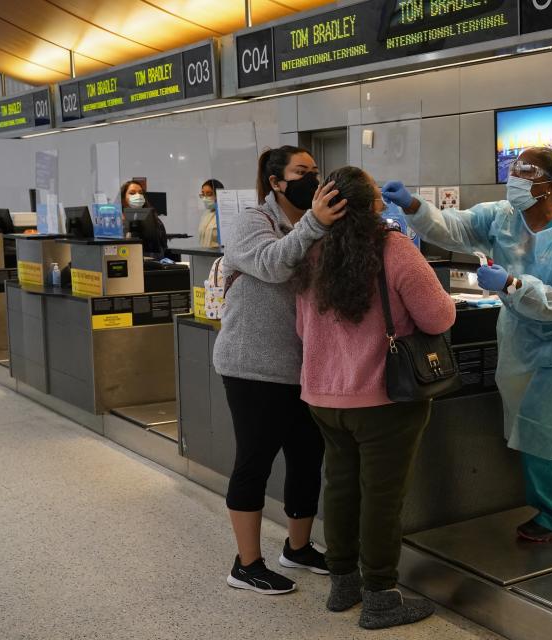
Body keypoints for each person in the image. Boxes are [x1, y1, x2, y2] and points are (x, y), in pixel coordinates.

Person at [382, 147, 552, 543]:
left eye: (525, 173)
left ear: (550, 187)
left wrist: (514, 285)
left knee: (542, 423)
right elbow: (453, 228)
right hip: (529, 335)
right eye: (513, 170)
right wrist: (413, 205)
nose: (514, 179)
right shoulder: (502, 216)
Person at [293, 166, 455, 629]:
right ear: (375, 204)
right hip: (385, 400)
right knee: (382, 497)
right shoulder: (395, 250)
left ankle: (342, 583)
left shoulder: (310, 253)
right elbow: (439, 318)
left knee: (340, 487)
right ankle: (381, 596)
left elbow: (303, 328)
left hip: (324, 398)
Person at [212, 146, 347, 595]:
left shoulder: (316, 227)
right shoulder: (254, 221)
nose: (313, 178)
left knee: (307, 460)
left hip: (303, 368)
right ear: (276, 181)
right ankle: (246, 564)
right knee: (254, 461)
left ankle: (298, 547)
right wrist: (316, 224)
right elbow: (271, 264)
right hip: (252, 366)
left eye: (315, 170)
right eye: (301, 172)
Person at [119, 179, 166, 255]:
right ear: (123, 199)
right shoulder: (117, 221)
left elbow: (161, 246)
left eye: (141, 193)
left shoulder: (154, 220)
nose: (138, 196)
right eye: (132, 193)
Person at [198, 178, 225, 248]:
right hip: (204, 256)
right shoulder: (206, 215)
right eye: (203, 194)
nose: (205, 198)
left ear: (218, 194)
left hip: (219, 256)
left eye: (209, 193)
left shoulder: (224, 215)